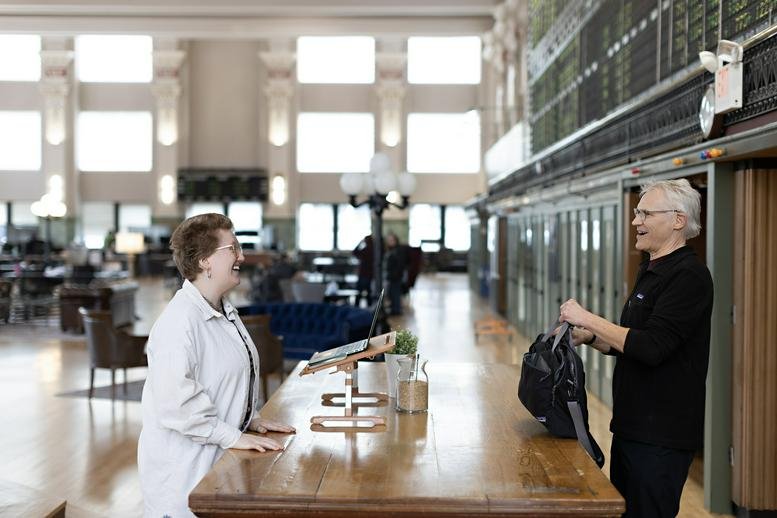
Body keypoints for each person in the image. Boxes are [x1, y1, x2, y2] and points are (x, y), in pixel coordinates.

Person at [558, 179, 713, 518]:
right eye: (636, 212)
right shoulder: (650, 268)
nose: (635, 222)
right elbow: (634, 340)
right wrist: (593, 338)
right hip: (631, 426)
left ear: (677, 220)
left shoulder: (690, 276)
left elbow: (653, 346)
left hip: (661, 438)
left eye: (645, 213)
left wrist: (588, 317)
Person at [138, 213, 295, 518]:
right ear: (204, 261)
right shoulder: (178, 322)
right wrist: (233, 436)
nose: (242, 256)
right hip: (183, 480)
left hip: (217, 471)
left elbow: (228, 377)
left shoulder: (224, 309)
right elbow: (176, 405)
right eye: (233, 248)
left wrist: (250, 418)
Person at [384, 232, 407, 315]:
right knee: (392, 293)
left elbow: (400, 264)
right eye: (388, 240)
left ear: (395, 240)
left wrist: (395, 275)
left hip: (396, 276)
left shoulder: (399, 250)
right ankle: (394, 309)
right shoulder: (390, 250)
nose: (389, 242)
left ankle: (396, 310)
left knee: (396, 293)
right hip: (391, 275)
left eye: (391, 240)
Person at [353, 234, 374, 307]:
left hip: (363, 274)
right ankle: (370, 307)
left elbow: (354, 252)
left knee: (359, 292)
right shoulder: (375, 251)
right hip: (370, 274)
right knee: (369, 292)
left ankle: (356, 307)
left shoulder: (366, 250)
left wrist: (360, 243)